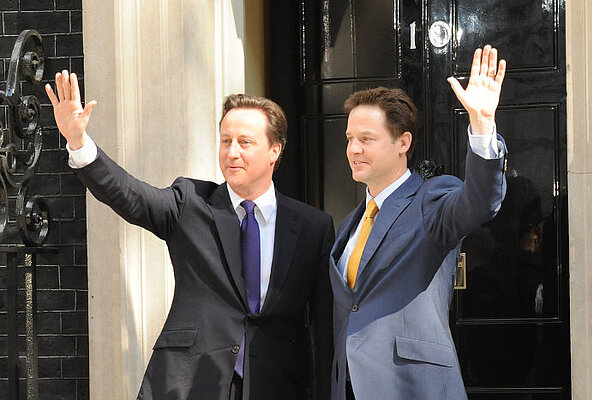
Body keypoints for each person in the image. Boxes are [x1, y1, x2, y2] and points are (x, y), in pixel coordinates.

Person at [45, 74, 334, 400]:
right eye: (226, 141)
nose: (232, 152)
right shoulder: (189, 203)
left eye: (245, 142)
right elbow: (129, 195)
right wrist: (79, 142)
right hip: (190, 382)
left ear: (274, 151)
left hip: (278, 384)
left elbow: (324, 328)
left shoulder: (313, 227)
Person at [328, 45, 508, 399]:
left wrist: (483, 125)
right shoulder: (349, 224)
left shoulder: (431, 200)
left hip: (414, 387)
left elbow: (481, 201)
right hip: (350, 387)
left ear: (403, 142)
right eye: (350, 139)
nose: (353, 149)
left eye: (366, 139)